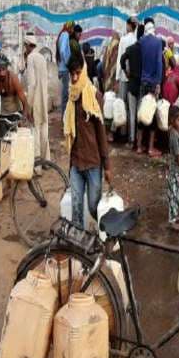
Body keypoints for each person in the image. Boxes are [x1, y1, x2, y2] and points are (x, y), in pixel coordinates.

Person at [64, 53, 112, 229]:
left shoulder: (94, 96)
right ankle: (78, 245)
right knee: (76, 208)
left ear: (83, 71)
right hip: (76, 163)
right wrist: (70, 164)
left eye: (77, 73)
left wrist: (107, 166)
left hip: (93, 163)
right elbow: (70, 134)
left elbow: (101, 134)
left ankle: (105, 236)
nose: (75, 77)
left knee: (94, 206)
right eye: (72, 74)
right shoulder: (71, 97)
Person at [137, 19, 164, 157]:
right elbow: (159, 63)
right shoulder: (158, 42)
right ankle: (150, 148)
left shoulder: (141, 42)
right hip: (153, 83)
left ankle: (139, 146)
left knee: (142, 113)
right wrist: (158, 83)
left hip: (142, 81)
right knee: (152, 114)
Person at [24, 33, 51, 165]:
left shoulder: (30, 58)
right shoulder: (41, 57)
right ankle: (46, 161)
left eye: (25, 46)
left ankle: (37, 166)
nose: (25, 48)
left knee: (35, 129)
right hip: (44, 97)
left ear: (29, 45)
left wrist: (28, 106)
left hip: (35, 98)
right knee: (44, 127)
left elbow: (32, 84)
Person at [0, 51, 30, 137]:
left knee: (16, 142)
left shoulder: (13, 79)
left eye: (3, 69)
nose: (1, 73)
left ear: (7, 68)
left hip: (16, 113)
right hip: (4, 114)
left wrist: (23, 119)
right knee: (2, 142)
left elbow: (25, 102)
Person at [114, 17, 138, 139]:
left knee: (120, 105)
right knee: (131, 108)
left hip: (124, 77)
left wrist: (117, 78)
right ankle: (131, 136)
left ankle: (118, 133)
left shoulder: (123, 40)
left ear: (129, 25)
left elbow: (120, 60)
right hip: (133, 79)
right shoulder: (136, 40)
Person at [120, 24, 143, 149]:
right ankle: (140, 142)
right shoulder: (145, 49)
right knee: (140, 114)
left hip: (132, 83)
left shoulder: (131, 48)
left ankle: (131, 140)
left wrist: (125, 71)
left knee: (132, 114)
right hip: (142, 85)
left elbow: (122, 59)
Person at [56, 21, 75, 107]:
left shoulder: (62, 35)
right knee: (66, 95)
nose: (73, 30)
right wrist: (68, 63)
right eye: (72, 28)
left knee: (65, 94)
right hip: (65, 69)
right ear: (69, 27)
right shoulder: (65, 35)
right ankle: (65, 117)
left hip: (62, 68)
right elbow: (63, 50)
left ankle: (65, 116)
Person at [100, 31, 121, 95]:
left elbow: (103, 63)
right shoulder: (118, 46)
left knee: (108, 94)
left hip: (107, 74)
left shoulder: (108, 47)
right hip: (115, 75)